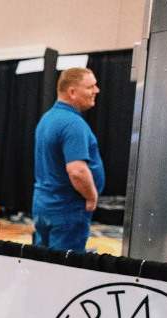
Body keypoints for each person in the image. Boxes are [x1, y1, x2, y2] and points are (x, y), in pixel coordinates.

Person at [32, 67, 104, 253]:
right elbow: (77, 171)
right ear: (72, 92)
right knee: (64, 272)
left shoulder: (47, 118)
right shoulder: (73, 123)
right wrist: (92, 196)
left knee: (43, 263)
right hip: (67, 211)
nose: (96, 91)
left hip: (44, 206)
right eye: (91, 87)